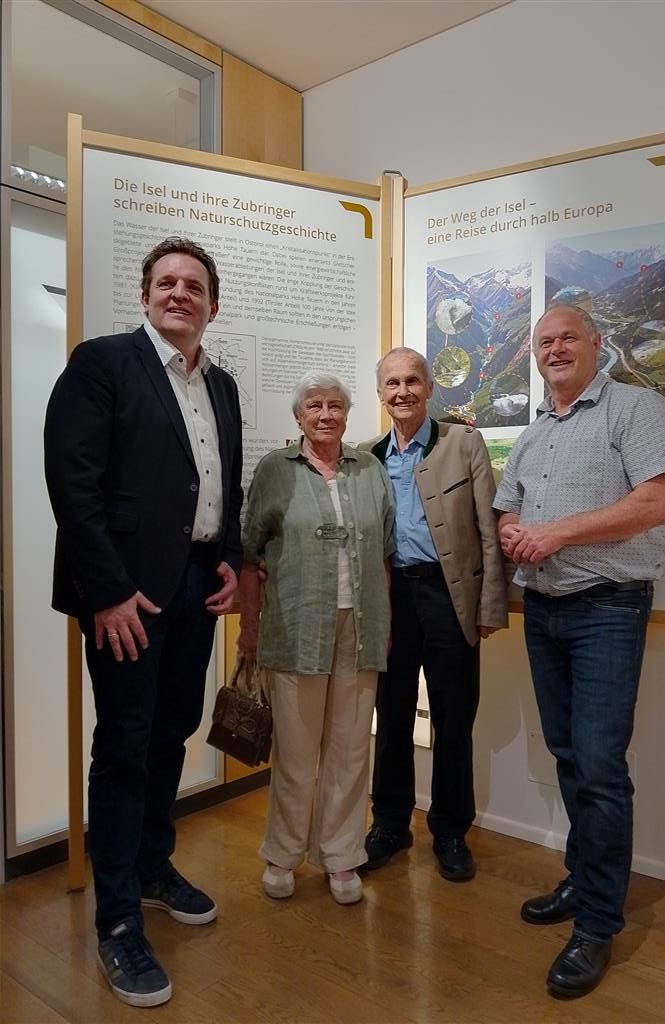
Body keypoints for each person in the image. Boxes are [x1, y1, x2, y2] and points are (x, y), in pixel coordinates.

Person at [44, 237, 243, 1008]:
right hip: (126, 595)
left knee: (172, 732)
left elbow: (223, 481)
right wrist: (107, 592)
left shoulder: (220, 385)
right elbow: (74, 484)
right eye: (166, 282)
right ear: (146, 295)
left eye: (193, 285)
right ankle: (119, 920)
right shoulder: (103, 364)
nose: (179, 293)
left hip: (195, 586)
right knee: (125, 747)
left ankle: (153, 867)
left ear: (212, 304)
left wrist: (228, 559)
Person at [493, 304, 665, 999]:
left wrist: (555, 534)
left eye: (567, 338)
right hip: (544, 609)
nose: (555, 349)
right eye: (544, 342)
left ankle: (599, 924)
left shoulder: (637, 409)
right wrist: (514, 530)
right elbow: (509, 504)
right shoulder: (535, 432)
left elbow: (653, 505)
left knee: (601, 767)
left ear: (595, 343)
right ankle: (583, 879)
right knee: (570, 756)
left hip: (608, 609)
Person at [237, 372, 394, 906]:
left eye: (335, 406)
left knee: (350, 751)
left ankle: (342, 855)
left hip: (361, 627)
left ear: (347, 413)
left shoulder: (369, 469)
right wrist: (249, 629)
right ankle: (283, 854)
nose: (326, 414)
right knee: (297, 752)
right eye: (314, 406)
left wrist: (387, 622)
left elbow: (384, 553)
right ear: (298, 416)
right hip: (296, 626)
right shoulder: (274, 470)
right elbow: (250, 556)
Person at [359, 347, 508, 882]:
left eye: (412, 381)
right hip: (391, 599)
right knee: (391, 716)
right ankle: (390, 825)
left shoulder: (463, 443)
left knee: (453, 717)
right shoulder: (367, 456)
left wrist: (490, 605)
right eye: (392, 383)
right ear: (381, 392)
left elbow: (489, 531)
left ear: (428, 387)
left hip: (449, 598)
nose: (403, 391)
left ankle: (450, 831)